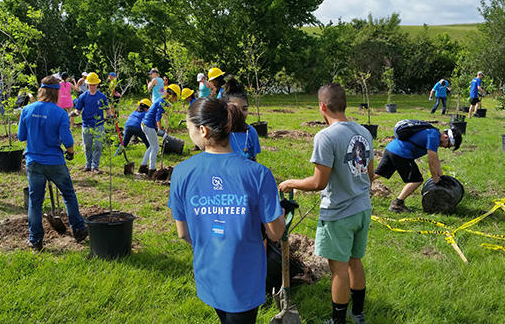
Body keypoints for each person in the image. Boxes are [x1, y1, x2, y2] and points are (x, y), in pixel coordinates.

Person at [168, 97, 285, 324]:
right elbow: (275, 232)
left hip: (208, 272)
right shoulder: (258, 174)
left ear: (202, 131)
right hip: (246, 277)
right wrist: (279, 214)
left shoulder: (182, 173)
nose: (188, 133)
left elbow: (183, 233)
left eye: (188, 128)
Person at [279, 83, 374, 324]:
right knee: (355, 261)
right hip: (363, 209)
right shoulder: (364, 132)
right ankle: (358, 315)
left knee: (339, 270)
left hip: (339, 213)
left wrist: (291, 183)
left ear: (322, 106)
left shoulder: (326, 136)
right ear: (345, 104)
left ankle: (338, 321)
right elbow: (370, 175)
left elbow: (318, 183)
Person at [18, 75, 88, 251]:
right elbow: (68, 141)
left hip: (34, 161)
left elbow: (21, 136)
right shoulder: (59, 113)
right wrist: (70, 153)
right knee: (68, 194)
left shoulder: (27, 110)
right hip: (55, 162)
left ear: (41, 90)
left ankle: (35, 240)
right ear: (57, 92)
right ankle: (79, 229)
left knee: (35, 202)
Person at [376, 121, 462, 213]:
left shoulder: (433, 132)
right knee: (416, 180)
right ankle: (397, 204)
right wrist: (436, 181)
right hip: (401, 153)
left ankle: (360, 191)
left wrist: (441, 176)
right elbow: (431, 161)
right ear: (446, 137)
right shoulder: (434, 137)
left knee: (377, 174)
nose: (446, 147)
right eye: (449, 145)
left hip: (391, 148)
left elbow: (436, 159)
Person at [71, 72, 113, 174]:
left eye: (94, 84)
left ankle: (95, 167)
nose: (92, 86)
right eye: (90, 84)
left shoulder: (102, 96)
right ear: (87, 85)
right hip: (86, 125)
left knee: (98, 146)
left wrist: (110, 116)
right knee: (87, 146)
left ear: (97, 84)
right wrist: (72, 114)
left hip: (99, 125)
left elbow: (107, 110)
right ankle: (88, 165)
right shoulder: (83, 97)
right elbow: (78, 110)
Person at [139, 84, 180, 175]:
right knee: (155, 147)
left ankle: (142, 167)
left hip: (145, 124)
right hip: (148, 125)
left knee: (151, 146)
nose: (176, 99)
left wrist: (165, 126)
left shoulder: (162, 100)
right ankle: (152, 170)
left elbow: (162, 116)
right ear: (172, 95)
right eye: (176, 96)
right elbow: (158, 116)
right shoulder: (163, 102)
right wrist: (160, 129)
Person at [221, 78, 261, 161]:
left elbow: (254, 159)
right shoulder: (220, 133)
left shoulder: (250, 132)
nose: (241, 113)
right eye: (235, 109)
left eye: (245, 109)